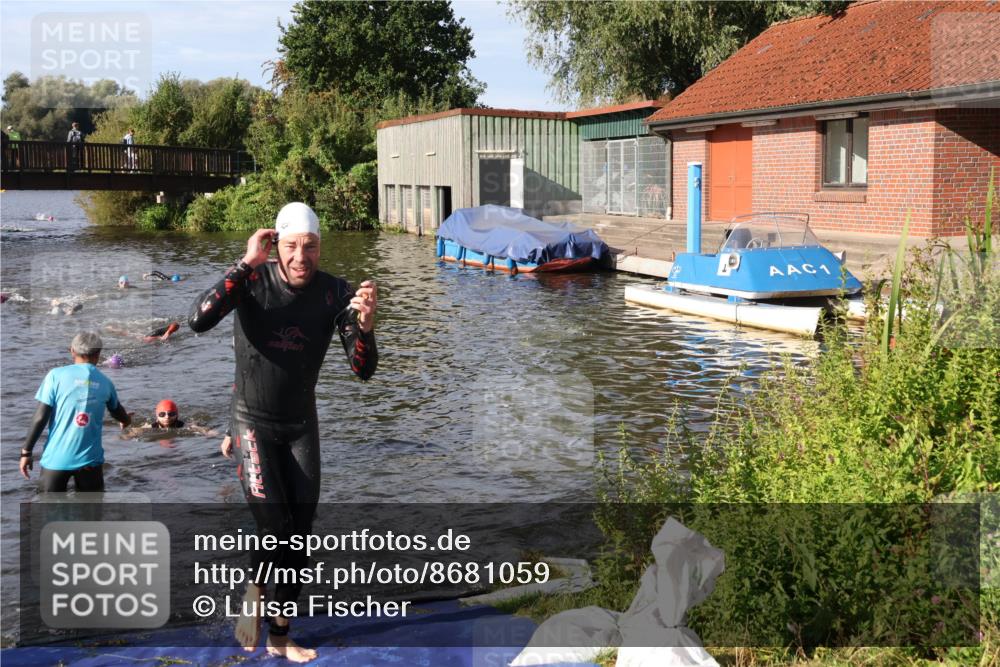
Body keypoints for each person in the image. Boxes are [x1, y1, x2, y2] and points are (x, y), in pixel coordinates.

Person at [188, 202, 378, 661]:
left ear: (320, 247)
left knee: (300, 535)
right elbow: (198, 319)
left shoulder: (336, 293)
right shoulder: (251, 280)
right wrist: (246, 261)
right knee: (274, 525)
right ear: (277, 245)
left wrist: (366, 328)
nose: (301, 257)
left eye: (310, 247)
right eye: (291, 246)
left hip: (299, 427)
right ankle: (254, 592)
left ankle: (280, 636)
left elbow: (363, 370)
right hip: (251, 421)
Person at [18, 332, 132, 491]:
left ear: (72, 350)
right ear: (98, 354)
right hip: (90, 462)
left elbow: (40, 417)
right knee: (91, 513)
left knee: (47, 512)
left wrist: (26, 452)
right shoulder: (106, 383)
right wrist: (126, 421)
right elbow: (118, 412)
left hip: (56, 461)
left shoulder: (55, 376)